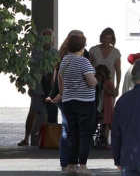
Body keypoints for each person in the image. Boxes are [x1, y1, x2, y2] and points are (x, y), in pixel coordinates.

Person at [47, 30, 89, 174]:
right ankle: (72, 163)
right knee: (73, 130)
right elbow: (88, 78)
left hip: (62, 94)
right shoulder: (81, 56)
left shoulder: (61, 55)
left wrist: (59, 92)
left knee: (68, 129)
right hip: (72, 95)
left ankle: (66, 163)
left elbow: (56, 77)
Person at [58, 34, 97, 175]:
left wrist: (63, 93)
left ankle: (70, 164)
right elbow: (91, 82)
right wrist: (96, 80)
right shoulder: (83, 62)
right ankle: (83, 165)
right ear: (82, 46)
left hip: (68, 101)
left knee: (72, 133)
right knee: (86, 134)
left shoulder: (65, 61)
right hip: (84, 102)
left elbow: (61, 82)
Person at [18, 28, 57, 146]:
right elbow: (33, 69)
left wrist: (53, 81)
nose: (46, 40)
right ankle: (26, 138)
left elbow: (56, 68)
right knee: (33, 112)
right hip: (38, 86)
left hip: (50, 87)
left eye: (48, 37)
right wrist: (30, 85)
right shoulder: (36, 52)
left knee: (50, 113)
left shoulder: (55, 52)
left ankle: (48, 140)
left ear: (52, 39)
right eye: (44, 37)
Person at [89, 27, 121, 98]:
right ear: (101, 38)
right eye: (105, 38)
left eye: (109, 39)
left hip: (109, 86)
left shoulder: (116, 52)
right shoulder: (93, 50)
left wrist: (117, 87)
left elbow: (118, 71)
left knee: (109, 108)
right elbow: (87, 67)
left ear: (112, 40)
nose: (106, 41)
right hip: (95, 85)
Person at [94, 64, 114, 149]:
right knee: (103, 124)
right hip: (101, 104)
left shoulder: (108, 82)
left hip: (107, 104)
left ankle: (114, 141)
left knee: (109, 123)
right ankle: (103, 141)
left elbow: (112, 93)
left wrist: (104, 87)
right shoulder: (97, 82)